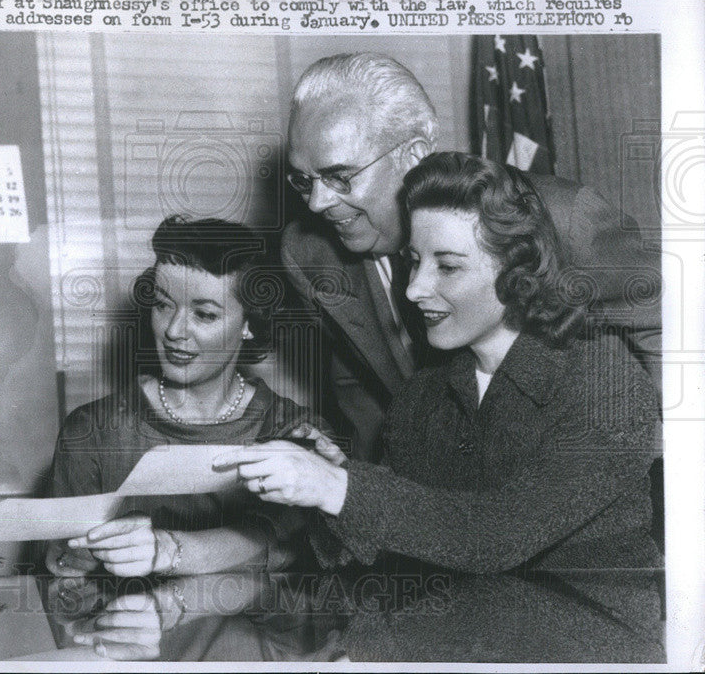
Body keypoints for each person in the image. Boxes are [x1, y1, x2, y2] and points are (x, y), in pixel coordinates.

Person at [215, 153, 663, 662]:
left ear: (518, 273)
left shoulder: (606, 383)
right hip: (458, 633)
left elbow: (493, 535)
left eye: (447, 266)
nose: (414, 289)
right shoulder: (423, 396)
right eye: (413, 261)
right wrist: (327, 479)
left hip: (594, 644)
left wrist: (339, 487)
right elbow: (400, 553)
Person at [280, 53, 661, 461]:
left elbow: (670, 326)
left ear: (413, 155)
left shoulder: (564, 219)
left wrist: (656, 452)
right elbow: (359, 387)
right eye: (304, 180)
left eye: (340, 176)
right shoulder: (309, 252)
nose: (318, 203)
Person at [45, 215, 331, 582]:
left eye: (204, 314)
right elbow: (66, 578)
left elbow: (298, 558)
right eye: (164, 305)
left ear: (250, 323)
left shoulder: (295, 433)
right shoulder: (92, 432)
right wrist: (68, 561)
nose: (174, 331)